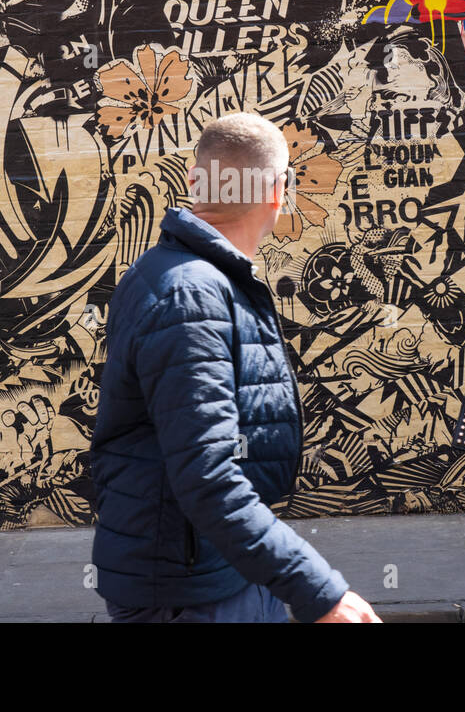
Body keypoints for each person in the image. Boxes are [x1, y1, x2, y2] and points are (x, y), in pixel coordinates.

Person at [89, 112, 380, 622]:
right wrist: (320, 592)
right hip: (190, 590)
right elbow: (208, 474)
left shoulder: (177, 275)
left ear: (197, 181)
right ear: (279, 190)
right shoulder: (191, 297)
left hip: (216, 567)